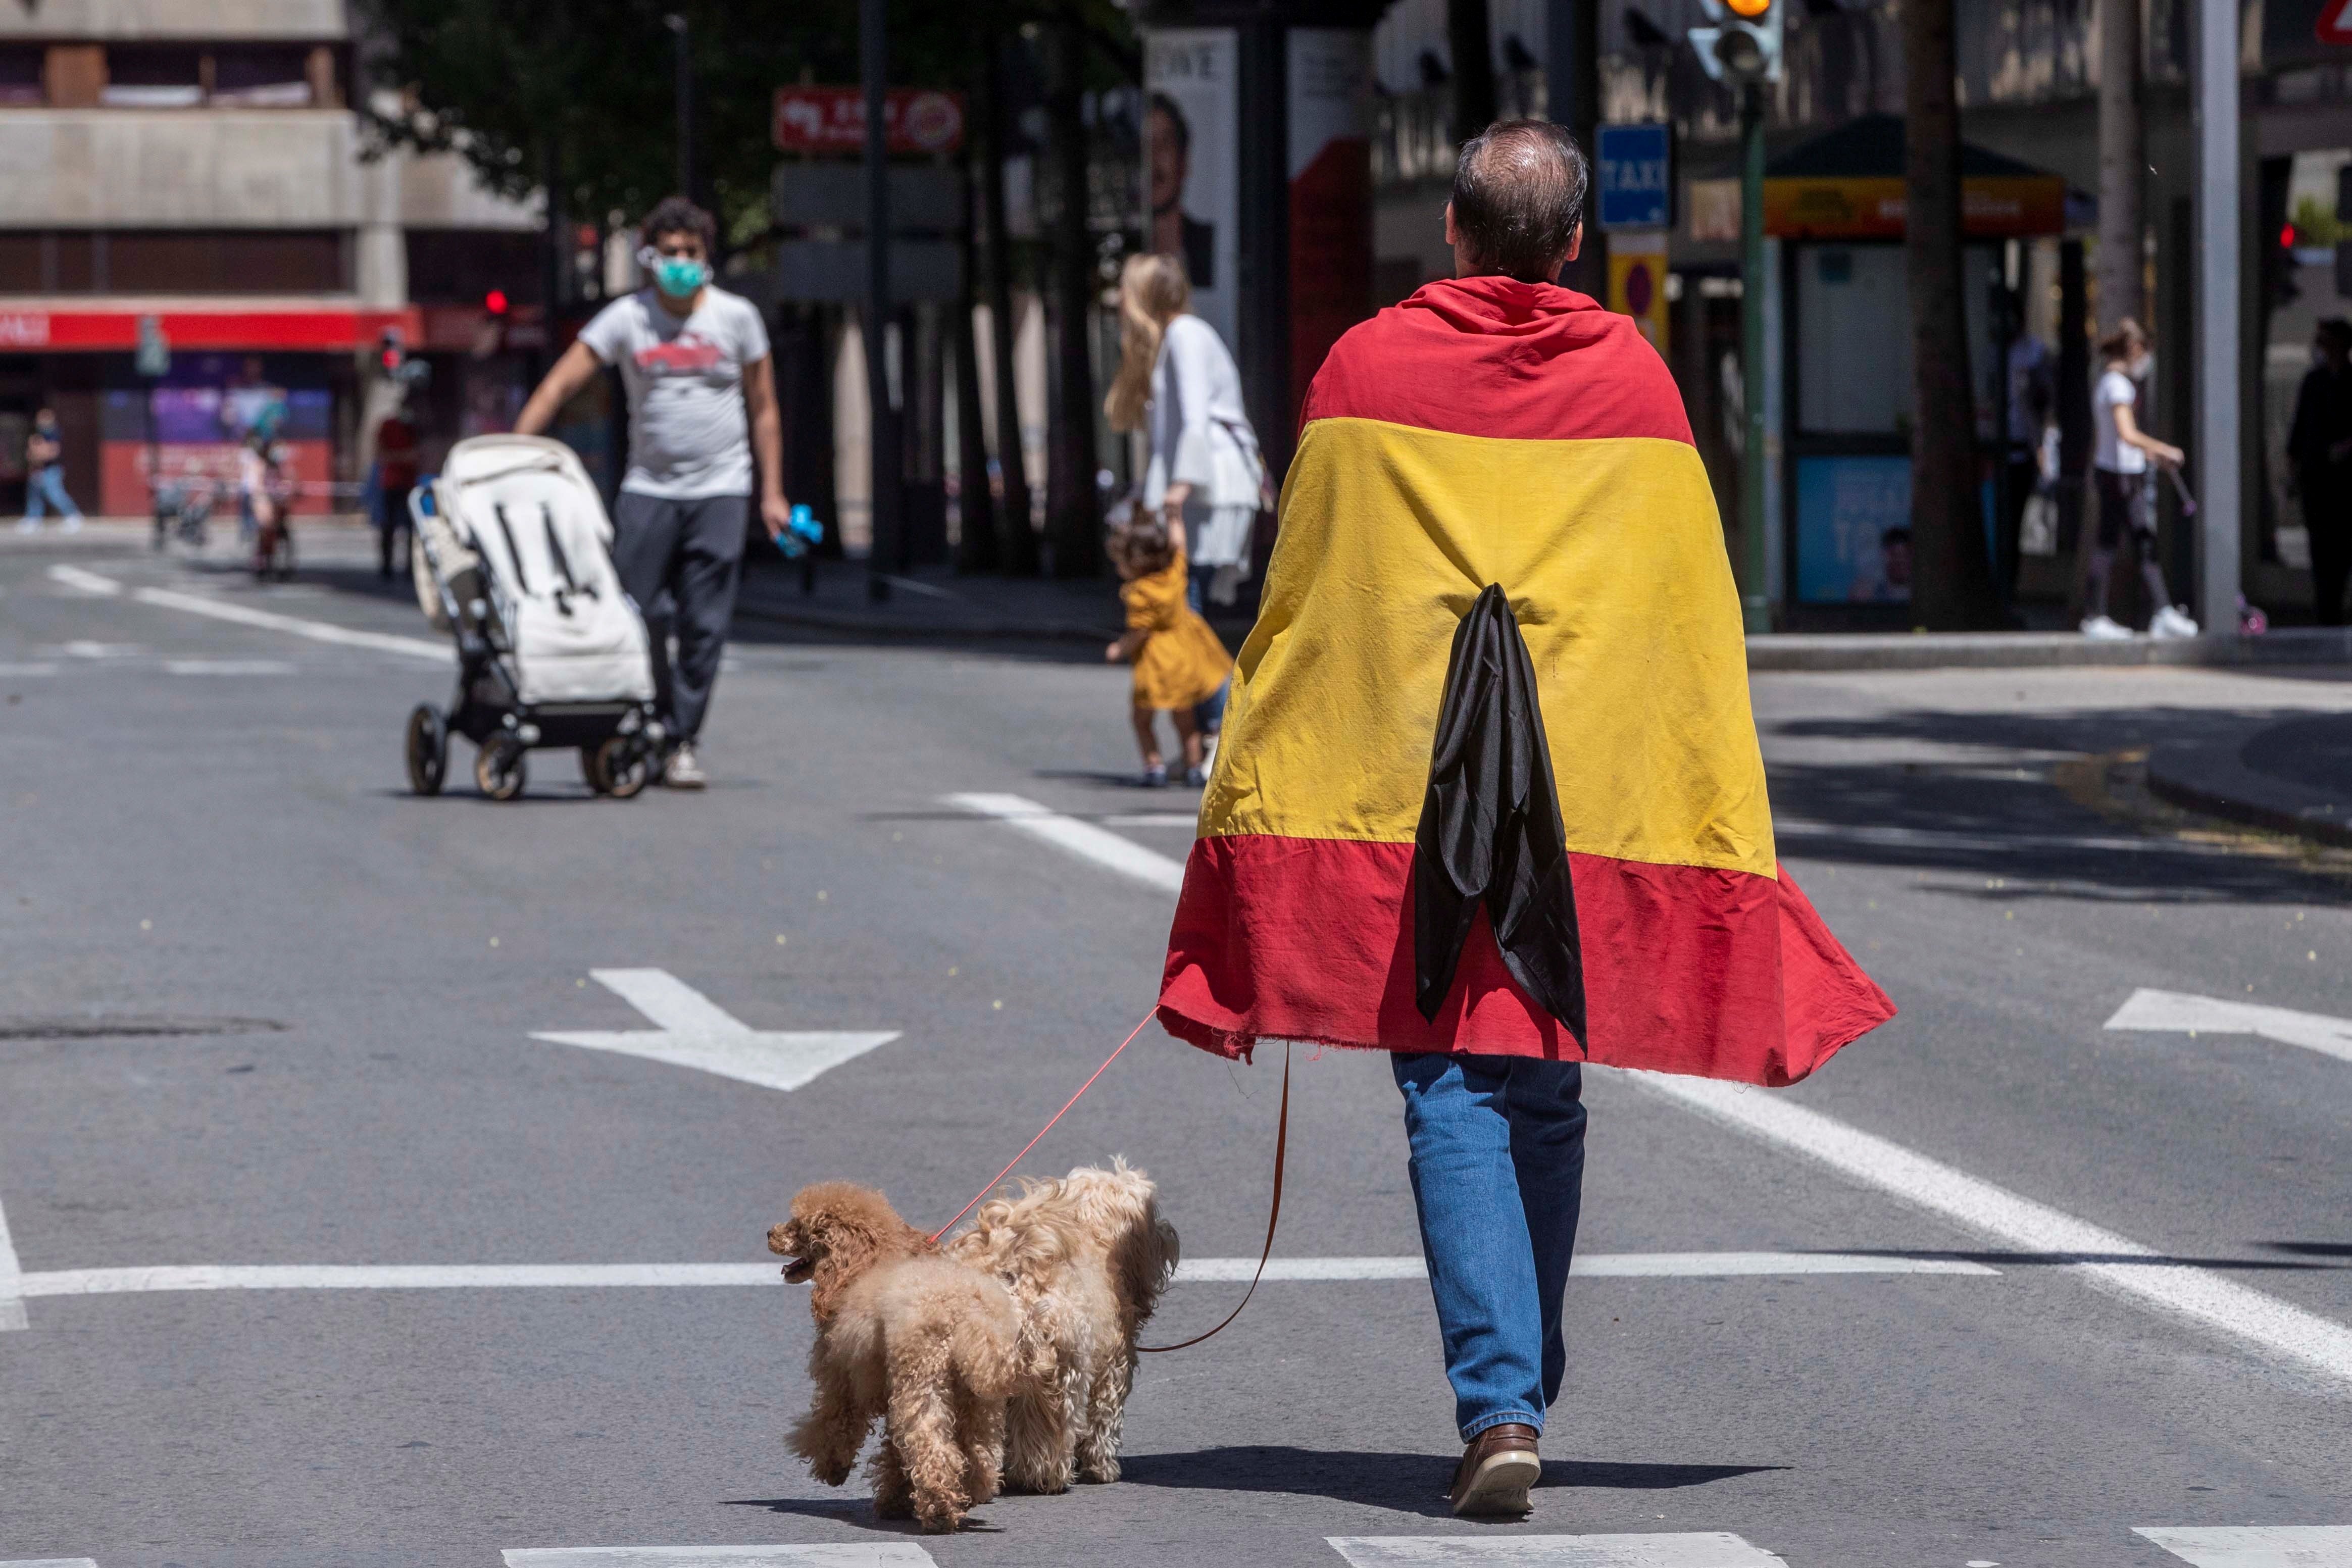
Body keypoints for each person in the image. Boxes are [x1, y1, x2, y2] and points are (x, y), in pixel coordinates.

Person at [1154, 120, 1892, 1518]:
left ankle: (1504, 1399)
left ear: (1450, 229)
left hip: (1411, 797)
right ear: (1571, 247)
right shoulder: (1634, 375)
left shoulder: (1363, 365)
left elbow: (1308, 597)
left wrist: (1267, 770)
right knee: (1536, 1077)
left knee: (1451, 1075)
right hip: (1571, 799)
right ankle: (1513, 1389)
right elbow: (1680, 614)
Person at [514, 195, 791, 790]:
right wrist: (512, 450)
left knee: (704, 624)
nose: (682, 263)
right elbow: (561, 383)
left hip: (723, 487)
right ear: (649, 258)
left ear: (707, 257)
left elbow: (764, 409)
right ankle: (640, 721)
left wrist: (774, 494)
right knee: (636, 615)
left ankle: (681, 739)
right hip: (649, 489)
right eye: (670, 253)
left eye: (692, 253)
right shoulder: (627, 319)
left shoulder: (736, 318)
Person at [1103, 252, 1264, 617]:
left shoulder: (1184, 335)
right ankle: (1195, 673)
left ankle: (1197, 675)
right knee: (1183, 603)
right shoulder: (1183, 335)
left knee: (1182, 606)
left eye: (1127, 290)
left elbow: (1195, 420)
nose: (1121, 300)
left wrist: (1180, 486)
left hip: (1206, 491)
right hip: (1208, 489)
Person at [2082, 318, 2195, 640]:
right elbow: (2128, 434)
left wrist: (2153, 458)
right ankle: (2099, 616)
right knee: (2125, 543)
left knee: (2136, 543)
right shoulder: (2118, 385)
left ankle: (2159, 611)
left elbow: (2122, 442)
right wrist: (2164, 448)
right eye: (2144, 353)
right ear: (2134, 350)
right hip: (2120, 478)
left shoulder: (2109, 382)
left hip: (2121, 474)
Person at [1106, 513, 1231, 788]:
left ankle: (1155, 766)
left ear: (1135, 562)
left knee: (1142, 719)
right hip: (1185, 657)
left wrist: (1118, 650)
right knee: (1185, 720)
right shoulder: (1174, 575)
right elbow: (1180, 546)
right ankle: (1195, 768)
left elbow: (1139, 632)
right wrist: (1176, 518)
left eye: (1120, 562)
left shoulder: (1140, 593)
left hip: (1157, 663)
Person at [2286, 316, 2352, 627]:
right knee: (2322, 551)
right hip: (2318, 482)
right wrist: (2294, 471)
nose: (2320, 348)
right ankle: (2326, 614)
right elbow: (2299, 432)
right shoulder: (2313, 382)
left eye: (2326, 342)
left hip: (2347, 483)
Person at [1148, 94, 1215, 291]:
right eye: (1148, 145)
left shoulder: (1209, 247)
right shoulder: (1129, 252)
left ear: (1184, 162)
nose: (1154, 158)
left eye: (1164, 145)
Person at [373, 400, 421, 580]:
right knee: (388, 526)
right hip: (391, 483)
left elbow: (418, 455)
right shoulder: (388, 426)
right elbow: (381, 455)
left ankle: (411, 567)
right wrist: (404, 457)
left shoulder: (414, 428)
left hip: (409, 484)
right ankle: (387, 566)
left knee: (411, 527)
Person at [18, 408, 83, 534]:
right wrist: (34, 458)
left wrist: (39, 454)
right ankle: (33, 520)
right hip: (37, 469)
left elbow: (52, 453)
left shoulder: (54, 434)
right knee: (35, 495)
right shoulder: (37, 434)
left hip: (51, 469)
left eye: (45, 418)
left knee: (55, 494)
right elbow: (31, 452)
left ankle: (73, 516)